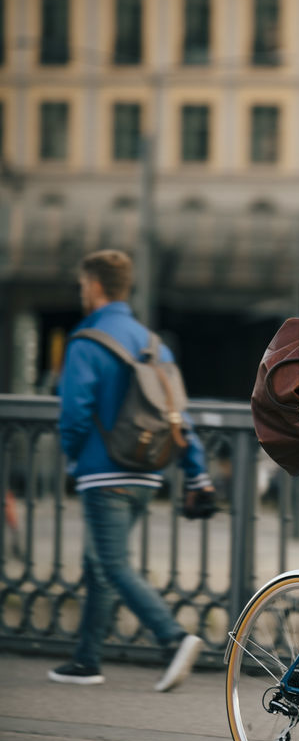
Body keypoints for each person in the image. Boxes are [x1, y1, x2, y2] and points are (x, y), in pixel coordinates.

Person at [51, 249, 214, 691]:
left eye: (83, 285)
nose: (82, 291)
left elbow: (74, 414)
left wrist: (73, 458)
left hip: (105, 473)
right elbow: (178, 412)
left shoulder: (86, 342)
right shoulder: (150, 342)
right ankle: (86, 659)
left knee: (112, 563)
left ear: (95, 286)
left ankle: (174, 637)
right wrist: (196, 471)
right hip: (148, 470)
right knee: (99, 561)